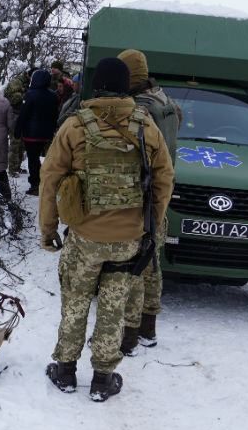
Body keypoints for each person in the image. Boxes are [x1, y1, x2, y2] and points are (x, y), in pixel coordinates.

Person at [39, 57, 174, 402]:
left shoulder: (74, 125)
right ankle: (102, 378)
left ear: (96, 85)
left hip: (84, 237)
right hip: (128, 240)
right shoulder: (147, 125)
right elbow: (163, 180)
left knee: (75, 301)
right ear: (126, 86)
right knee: (114, 307)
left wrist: (48, 228)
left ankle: (66, 370)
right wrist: (152, 226)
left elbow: (50, 178)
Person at [116, 49, 183, 355]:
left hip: (141, 198)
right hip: (161, 194)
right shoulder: (165, 101)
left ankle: (128, 336)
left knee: (135, 266)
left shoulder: (140, 109)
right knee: (153, 263)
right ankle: (148, 328)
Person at [13, 69, 57, 196]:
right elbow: (55, 115)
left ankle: (35, 183)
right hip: (47, 133)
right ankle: (44, 180)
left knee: (33, 159)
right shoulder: (53, 95)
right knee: (44, 158)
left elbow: (23, 114)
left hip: (31, 134)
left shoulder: (30, 94)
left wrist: (17, 130)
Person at [4, 68, 35, 176]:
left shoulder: (29, 83)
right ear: (28, 75)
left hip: (24, 115)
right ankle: (12, 169)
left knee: (22, 143)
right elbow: (11, 98)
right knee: (15, 142)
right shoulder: (17, 82)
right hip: (15, 114)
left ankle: (17, 166)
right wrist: (25, 95)